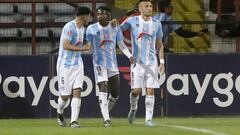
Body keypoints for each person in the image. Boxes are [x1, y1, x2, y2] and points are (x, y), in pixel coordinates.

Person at [86, 6, 134, 127]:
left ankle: (105, 109)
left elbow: (121, 44)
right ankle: (107, 119)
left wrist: (130, 56)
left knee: (115, 95)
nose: (102, 16)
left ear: (109, 15)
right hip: (99, 64)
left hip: (112, 64)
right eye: (99, 14)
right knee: (103, 86)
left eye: (104, 13)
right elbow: (88, 46)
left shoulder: (115, 27)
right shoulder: (91, 29)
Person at [120, 0, 165, 126]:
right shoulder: (131, 21)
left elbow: (160, 44)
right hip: (137, 63)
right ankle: (133, 108)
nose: (150, 8)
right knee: (136, 91)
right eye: (147, 6)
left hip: (152, 63)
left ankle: (148, 119)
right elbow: (118, 31)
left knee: (150, 90)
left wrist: (161, 62)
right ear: (140, 8)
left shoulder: (157, 23)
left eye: (151, 6)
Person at [56, 6, 92, 128]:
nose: (90, 19)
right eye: (89, 16)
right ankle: (59, 111)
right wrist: (83, 48)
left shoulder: (82, 29)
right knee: (65, 96)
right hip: (65, 65)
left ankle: (74, 121)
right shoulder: (69, 27)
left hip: (78, 64)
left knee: (77, 91)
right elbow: (66, 45)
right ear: (84, 16)